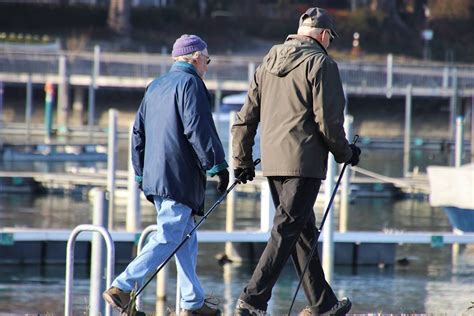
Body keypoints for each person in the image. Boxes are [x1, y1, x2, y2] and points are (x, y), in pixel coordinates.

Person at [231, 7, 361, 316]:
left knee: (301, 232)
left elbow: (245, 118)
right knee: (287, 230)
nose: (330, 43)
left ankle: (323, 303)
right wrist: (346, 154)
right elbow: (328, 122)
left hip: (274, 163)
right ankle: (252, 300)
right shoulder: (322, 64)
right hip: (303, 163)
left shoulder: (268, 60)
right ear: (323, 34)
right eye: (330, 37)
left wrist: (242, 160)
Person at [103, 34, 228, 316]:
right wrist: (218, 165)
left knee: (185, 237)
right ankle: (122, 287)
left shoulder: (156, 85)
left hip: (156, 176)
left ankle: (192, 303)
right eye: (207, 60)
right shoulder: (191, 83)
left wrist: (139, 173)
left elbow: (138, 132)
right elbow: (198, 128)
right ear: (196, 58)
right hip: (178, 175)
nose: (207, 66)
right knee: (170, 234)